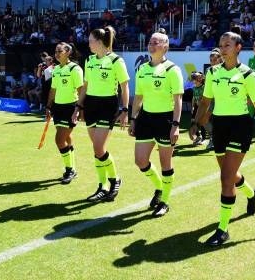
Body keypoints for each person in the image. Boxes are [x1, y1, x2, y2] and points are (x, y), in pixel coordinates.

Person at [189, 31, 255, 246]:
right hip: (219, 126)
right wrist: (195, 123)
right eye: (221, 44)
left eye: (228, 44)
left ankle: (223, 229)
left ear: (238, 48)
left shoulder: (248, 75)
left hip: (240, 126)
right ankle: (251, 192)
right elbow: (206, 101)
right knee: (230, 174)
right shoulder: (213, 73)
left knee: (226, 178)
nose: (223, 48)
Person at [128, 31, 183, 217]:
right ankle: (159, 187)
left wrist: (175, 125)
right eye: (150, 41)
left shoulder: (172, 70)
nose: (151, 44)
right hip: (145, 119)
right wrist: (133, 119)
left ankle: (165, 202)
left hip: (165, 120)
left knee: (165, 162)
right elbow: (138, 97)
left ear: (165, 46)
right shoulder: (142, 69)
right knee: (140, 161)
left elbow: (178, 100)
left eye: (156, 42)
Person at [73, 26, 130, 202]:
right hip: (90, 105)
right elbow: (85, 86)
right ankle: (102, 186)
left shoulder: (116, 61)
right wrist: (78, 106)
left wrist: (125, 110)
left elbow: (124, 86)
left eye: (90, 41)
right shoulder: (89, 60)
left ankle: (114, 180)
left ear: (99, 42)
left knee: (99, 148)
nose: (88, 44)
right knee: (97, 150)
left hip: (108, 105)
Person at [46, 43, 84, 184]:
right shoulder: (55, 70)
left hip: (70, 108)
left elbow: (81, 90)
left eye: (59, 51)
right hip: (58, 108)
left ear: (68, 52)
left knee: (59, 140)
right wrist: (48, 106)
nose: (56, 54)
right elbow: (53, 90)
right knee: (66, 138)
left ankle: (70, 170)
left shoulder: (75, 69)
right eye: (55, 51)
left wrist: (80, 109)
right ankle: (72, 168)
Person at [191, 72, 207, 146]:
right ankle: (198, 137)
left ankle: (203, 138)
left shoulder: (203, 87)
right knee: (193, 122)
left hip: (202, 107)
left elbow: (205, 98)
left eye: (194, 79)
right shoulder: (194, 88)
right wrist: (192, 107)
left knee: (202, 123)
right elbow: (194, 98)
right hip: (196, 107)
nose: (193, 81)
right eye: (193, 79)